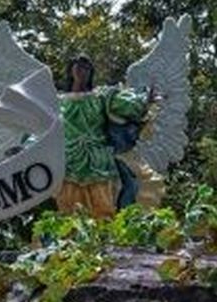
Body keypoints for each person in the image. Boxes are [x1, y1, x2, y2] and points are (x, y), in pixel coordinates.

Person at [57, 55, 154, 218]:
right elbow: (43, 130)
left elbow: (129, 104)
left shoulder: (101, 97)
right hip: (68, 163)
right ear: (71, 70)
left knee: (103, 208)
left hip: (98, 162)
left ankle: (104, 241)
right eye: (78, 66)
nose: (82, 71)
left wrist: (144, 99)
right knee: (69, 210)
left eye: (87, 68)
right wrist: (25, 150)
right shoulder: (58, 103)